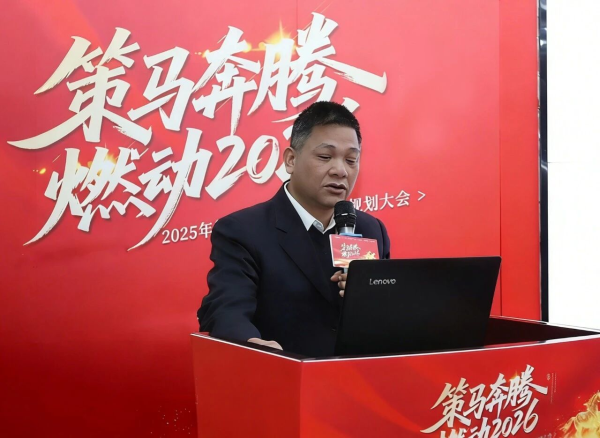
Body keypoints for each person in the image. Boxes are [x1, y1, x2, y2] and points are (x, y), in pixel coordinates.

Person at [197, 101, 391, 357]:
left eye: (351, 160)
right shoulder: (243, 231)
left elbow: (386, 315)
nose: (340, 171)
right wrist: (251, 344)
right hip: (281, 375)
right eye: (325, 157)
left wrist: (377, 301)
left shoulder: (371, 230)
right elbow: (225, 310)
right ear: (291, 160)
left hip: (355, 377)